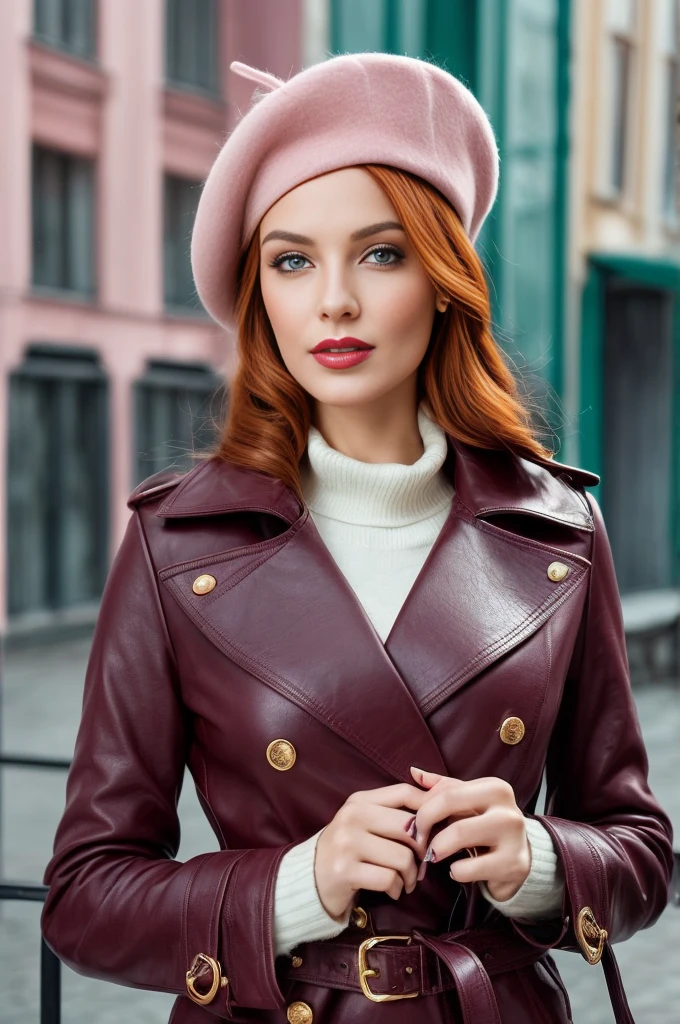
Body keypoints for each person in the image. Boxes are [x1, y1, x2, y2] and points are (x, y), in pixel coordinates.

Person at [41, 53, 673, 1024]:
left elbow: (639, 848)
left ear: (442, 279)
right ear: (262, 298)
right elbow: (85, 895)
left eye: (379, 253)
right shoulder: (175, 542)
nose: (331, 300)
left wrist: (538, 858)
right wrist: (299, 883)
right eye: (291, 260)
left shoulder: (557, 526)